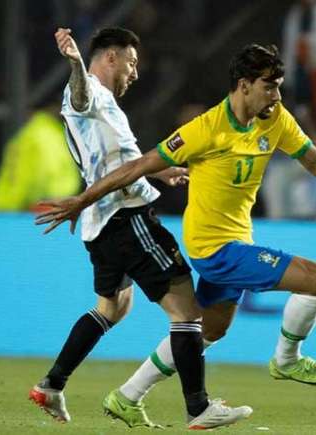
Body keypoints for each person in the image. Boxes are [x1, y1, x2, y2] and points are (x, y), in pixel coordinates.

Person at [35, 43, 316, 420]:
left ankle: (127, 396)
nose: (276, 95)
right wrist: (82, 200)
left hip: (239, 238)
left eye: (278, 86)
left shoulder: (275, 119)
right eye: (268, 86)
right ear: (244, 85)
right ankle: (286, 360)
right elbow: (137, 166)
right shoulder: (205, 129)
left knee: (208, 329)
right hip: (212, 247)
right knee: (315, 279)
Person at [28, 27, 251, 430]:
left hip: (101, 226)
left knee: (112, 308)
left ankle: (52, 384)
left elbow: (121, 158)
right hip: (127, 218)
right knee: (187, 311)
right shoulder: (90, 91)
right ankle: (198, 407)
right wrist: (77, 64)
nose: (134, 73)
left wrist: (163, 172)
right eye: (131, 63)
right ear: (110, 58)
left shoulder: (108, 107)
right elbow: (79, 94)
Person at [0, 100, 80, 211]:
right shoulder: (58, 134)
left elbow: (21, 176)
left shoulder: (31, 135)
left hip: (31, 210)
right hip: (61, 205)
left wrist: (12, 206)